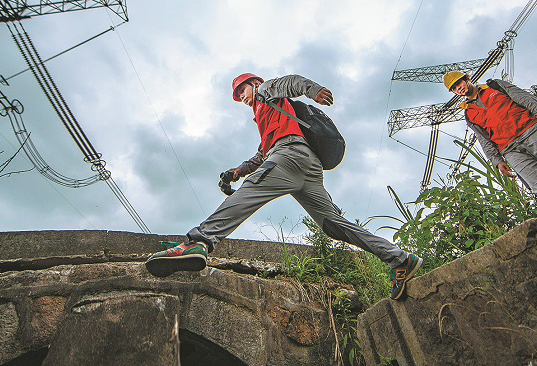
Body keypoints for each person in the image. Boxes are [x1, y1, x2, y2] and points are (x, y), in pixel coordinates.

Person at [146, 73, 423, 300]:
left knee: (250, 192)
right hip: (306, 166)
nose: (241, 97)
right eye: (238, 95)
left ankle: (199, 242)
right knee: (333, 225)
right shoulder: (266, 116)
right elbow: (261, 155)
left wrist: (314, 90)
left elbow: (291, 81)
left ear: (253, 83)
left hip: (290, 155)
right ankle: (399, 259)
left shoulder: (266, 90)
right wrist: (237, 171)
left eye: (241, 90)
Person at [443, 71, 537, 207]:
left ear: (468, 78)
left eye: (459, 83)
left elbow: (526, 99)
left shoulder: (495, 86)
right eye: (454, 88)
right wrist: (497, 161)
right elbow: (484, 139)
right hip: (510, 150)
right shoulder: (469, 114)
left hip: (532, 132)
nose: (459, 88)